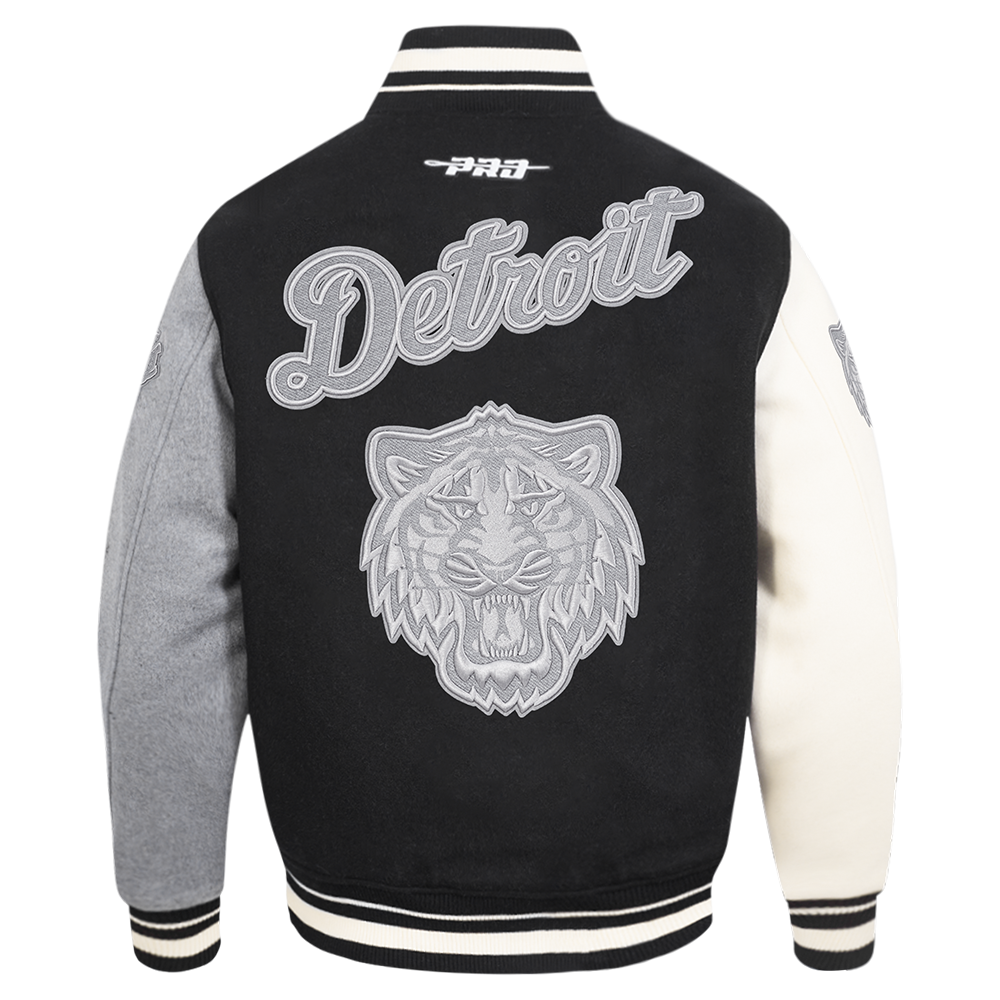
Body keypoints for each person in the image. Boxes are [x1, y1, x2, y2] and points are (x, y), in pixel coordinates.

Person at [97, 23, 902, 975]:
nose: (496, 552)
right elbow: (838, 581)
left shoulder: (243, 245)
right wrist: (834, 900)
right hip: (657, 913)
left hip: (347, 906)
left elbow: (163, 586)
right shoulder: (746, 240)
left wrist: (171, 903)